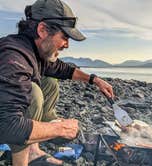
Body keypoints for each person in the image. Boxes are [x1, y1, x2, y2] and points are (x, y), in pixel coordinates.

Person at [0, 0, 114, 165]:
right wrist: (60, 129)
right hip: (6, 124)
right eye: (65, 37)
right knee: (34, 92)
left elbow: (62, 69)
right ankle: (21, 161)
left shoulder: (33, 50)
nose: (67, 45)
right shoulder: (14, 58)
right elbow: (7, 126)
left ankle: (33, 150)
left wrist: (94, 80)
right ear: (42, 30)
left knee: (49, 82)